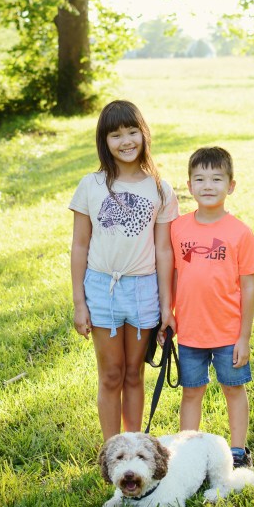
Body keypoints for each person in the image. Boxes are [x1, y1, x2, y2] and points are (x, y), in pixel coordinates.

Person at [69, 100, 178, 441]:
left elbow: (164, 250)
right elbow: (80, 246)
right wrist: (79, 303)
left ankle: (133, 448)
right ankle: (112, 451)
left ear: (144, 134)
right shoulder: (91, 185)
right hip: (103, 289)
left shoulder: (160, 189)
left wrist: (167, 307)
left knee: (134, 374)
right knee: (111, 375)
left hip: (144, 289)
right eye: (115, 135)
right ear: (104, 141)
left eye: (132, 132)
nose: (126, 141)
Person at [167, 146, 254, 467]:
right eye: (200, 179)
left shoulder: (240, 233)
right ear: (189, 185)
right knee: (192, 392)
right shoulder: (178, 228)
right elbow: (173, 275)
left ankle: (237, 452)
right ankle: (187, 453)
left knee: (233, 389)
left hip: (228, 333)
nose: (208, 185)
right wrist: (169, 315)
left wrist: (244, 337)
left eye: (217, 179)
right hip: (190, 331)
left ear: (231, 186)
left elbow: (248, 288)